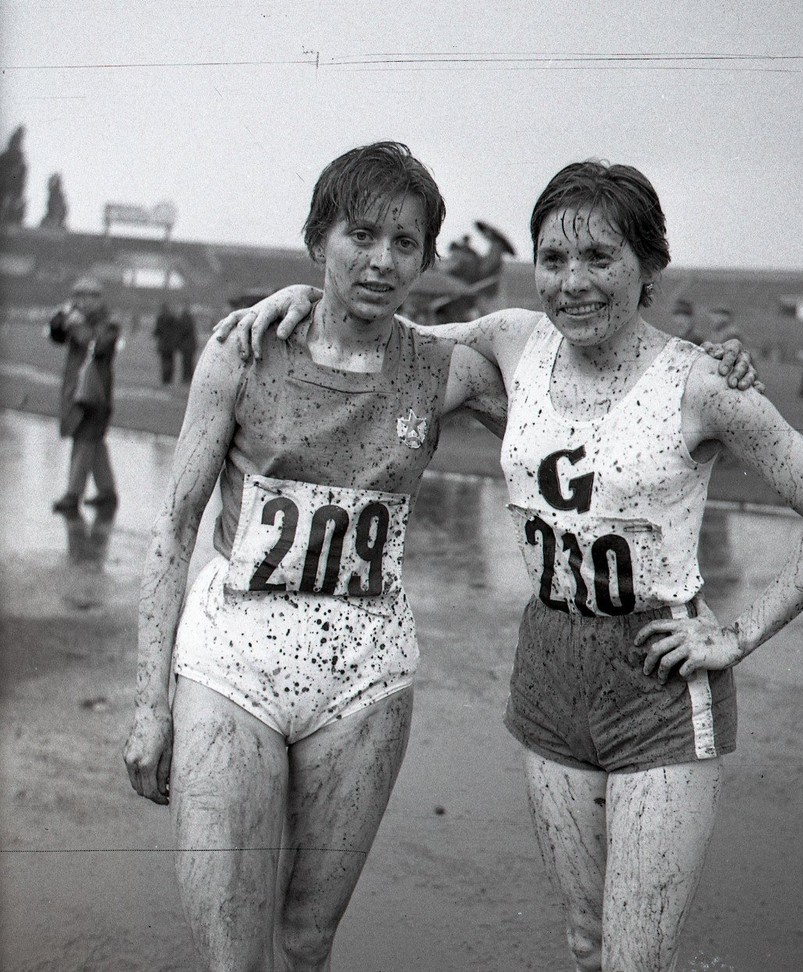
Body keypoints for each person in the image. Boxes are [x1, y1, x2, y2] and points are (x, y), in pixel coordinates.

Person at [215, 161, 803, 972]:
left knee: (634, 961)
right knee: (587, 946)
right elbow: (370, 335)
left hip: (657, 686)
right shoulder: (515, 340)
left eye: (600, 258)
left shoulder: (701, 384)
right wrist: (300, 299)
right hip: (549, 670)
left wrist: (735, 636)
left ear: (649, 266)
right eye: (554, 259)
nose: (573, 282)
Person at [122, 142, 514, 972]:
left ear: (425, 260)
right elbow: (174, 525)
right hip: (234, 663)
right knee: (233, 956)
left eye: (404, 245)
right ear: (318, 237)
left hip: (366, 678)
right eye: (360, 236)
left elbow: (577, 399)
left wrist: (714, 372)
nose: (381, 260)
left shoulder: (447, 370)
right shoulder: (243, 350)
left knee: (305, 945)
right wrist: (150, 704)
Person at [48, 276, 120, 515]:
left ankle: (72, 495)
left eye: (86, 296)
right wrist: (61, 320)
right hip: (78, 391)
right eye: (77, 296)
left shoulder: (109, 323)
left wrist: (76, 324)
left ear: (98, 299)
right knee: (94, 442)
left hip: (94, 394)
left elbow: (97, 345)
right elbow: (56, 336)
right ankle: (107, 493)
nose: (80, 301)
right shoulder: (80, 319)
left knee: (84, 441)